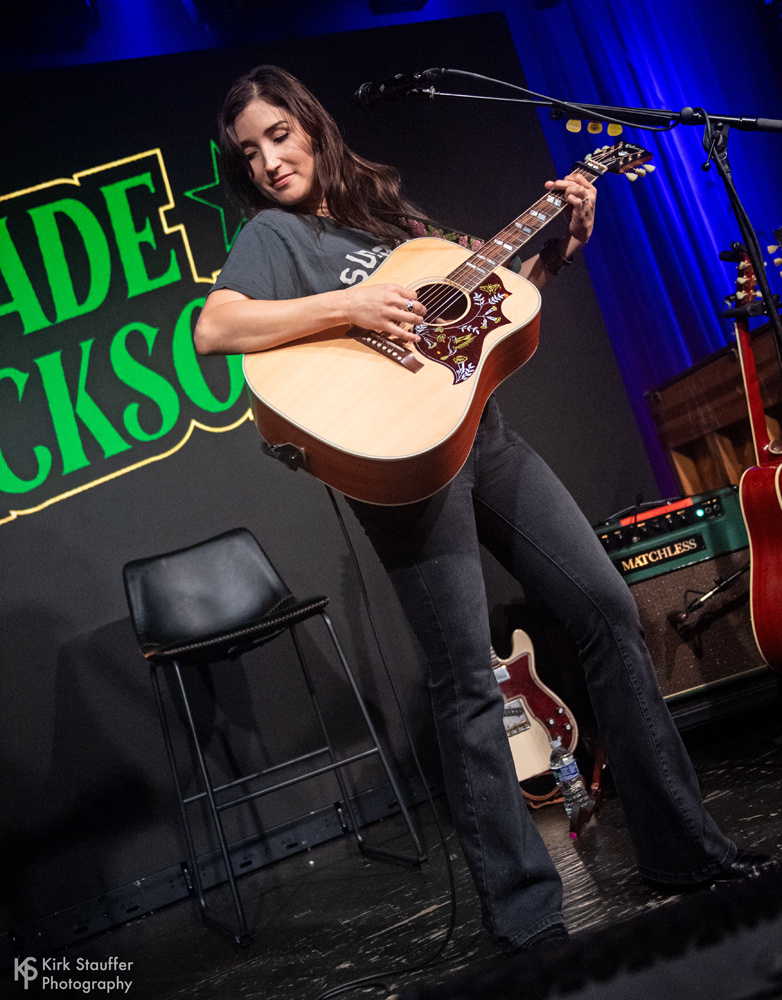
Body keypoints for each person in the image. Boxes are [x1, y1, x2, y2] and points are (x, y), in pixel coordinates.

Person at [195, 65, 771, 952]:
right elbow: (217, 327)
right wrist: (350, 302)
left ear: (310, 127)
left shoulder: (388, 216)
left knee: (607, 608)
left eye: (280, 135)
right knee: (466, 678)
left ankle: (682, 849)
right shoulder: (273, 235)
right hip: (404, 461)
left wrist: (562, 244)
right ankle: (526, 915)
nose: (270, 161)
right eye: (250, 152)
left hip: (482, 433)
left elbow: (488, 304)